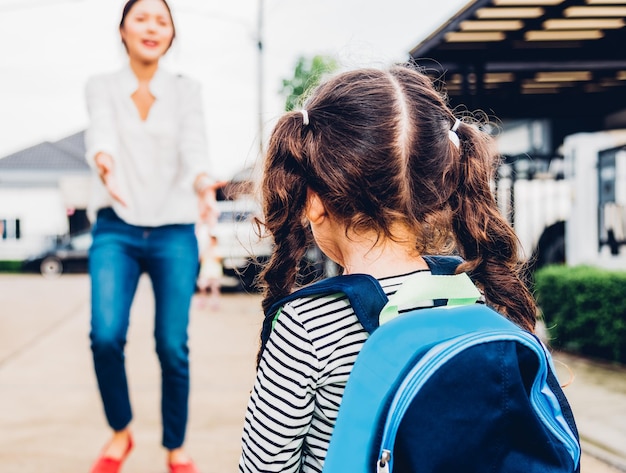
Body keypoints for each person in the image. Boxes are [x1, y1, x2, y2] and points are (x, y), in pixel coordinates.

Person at [238, 63, 538, 472]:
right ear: (438, 190)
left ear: (312, 200)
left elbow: (263, 466)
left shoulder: (306, 326)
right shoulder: (482, 302)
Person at [84, 1, 217, 472]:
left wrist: (204, 184)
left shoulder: (186, 90)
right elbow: (101, 131)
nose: (151, 27)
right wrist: (103, 161)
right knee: (105, 335)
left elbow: (194, 144)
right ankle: (121, 432)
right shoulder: (101, 86)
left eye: (162, 20)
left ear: (172, 35)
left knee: (171, 344)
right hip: (116, 228)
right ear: (122, 29)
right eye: (141, 18)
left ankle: (174, 446)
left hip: (174, 231)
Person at [195, 230, 223, 310]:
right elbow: (201, 259)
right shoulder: (205, 250)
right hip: (206, 272)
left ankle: (215, 303)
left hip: (215, 272)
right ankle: (202, 302)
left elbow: (219, 259)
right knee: (202, 288)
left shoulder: (217, 249)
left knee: (214, 289)